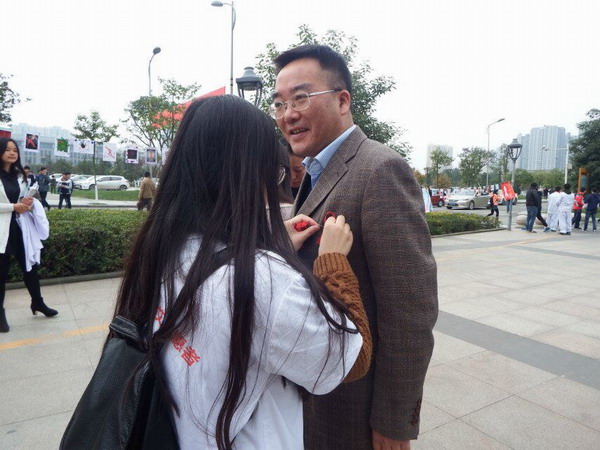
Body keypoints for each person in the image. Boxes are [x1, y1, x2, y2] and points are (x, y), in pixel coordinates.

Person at [112, 96, 372, 450]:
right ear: (251, 175)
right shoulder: (263, 282)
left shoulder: (165, 246)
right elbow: (352, 359)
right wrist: (333, 262)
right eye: (275, 172)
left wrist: (270, 245)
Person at [272, 44, 438, 449]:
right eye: (279, 103)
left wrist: (393, 421)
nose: (287, 114)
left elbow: (409, 312)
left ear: (343, 100)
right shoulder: (315, 171)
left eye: (301, 98)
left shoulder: (379, 169)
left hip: (355, 410)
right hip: (317, 396)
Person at [0, 138, 58, 333]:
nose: (12, 153)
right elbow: (10, 204)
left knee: (30, 267)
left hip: (19, 228)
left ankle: (38, 302)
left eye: (14, 150)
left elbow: (22, 200)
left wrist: (28, 203)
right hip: (2, 231)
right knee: (1, 274)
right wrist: (13, 207)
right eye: (7, 150)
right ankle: (0, 313)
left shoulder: (19, 175)